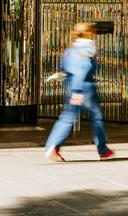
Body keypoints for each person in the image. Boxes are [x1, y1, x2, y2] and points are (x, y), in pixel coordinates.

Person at [45, 22, 115, 162]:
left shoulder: (70, 48)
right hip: (85, 87)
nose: (94, 33)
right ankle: (103, 150)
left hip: (72, 86)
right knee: (97, 118)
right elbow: (83, 68)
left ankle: (53, 145)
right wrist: (78, 91)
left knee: (67, 117)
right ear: (88, 32)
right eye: (92, 31)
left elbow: (66, 69)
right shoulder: (87, 46)